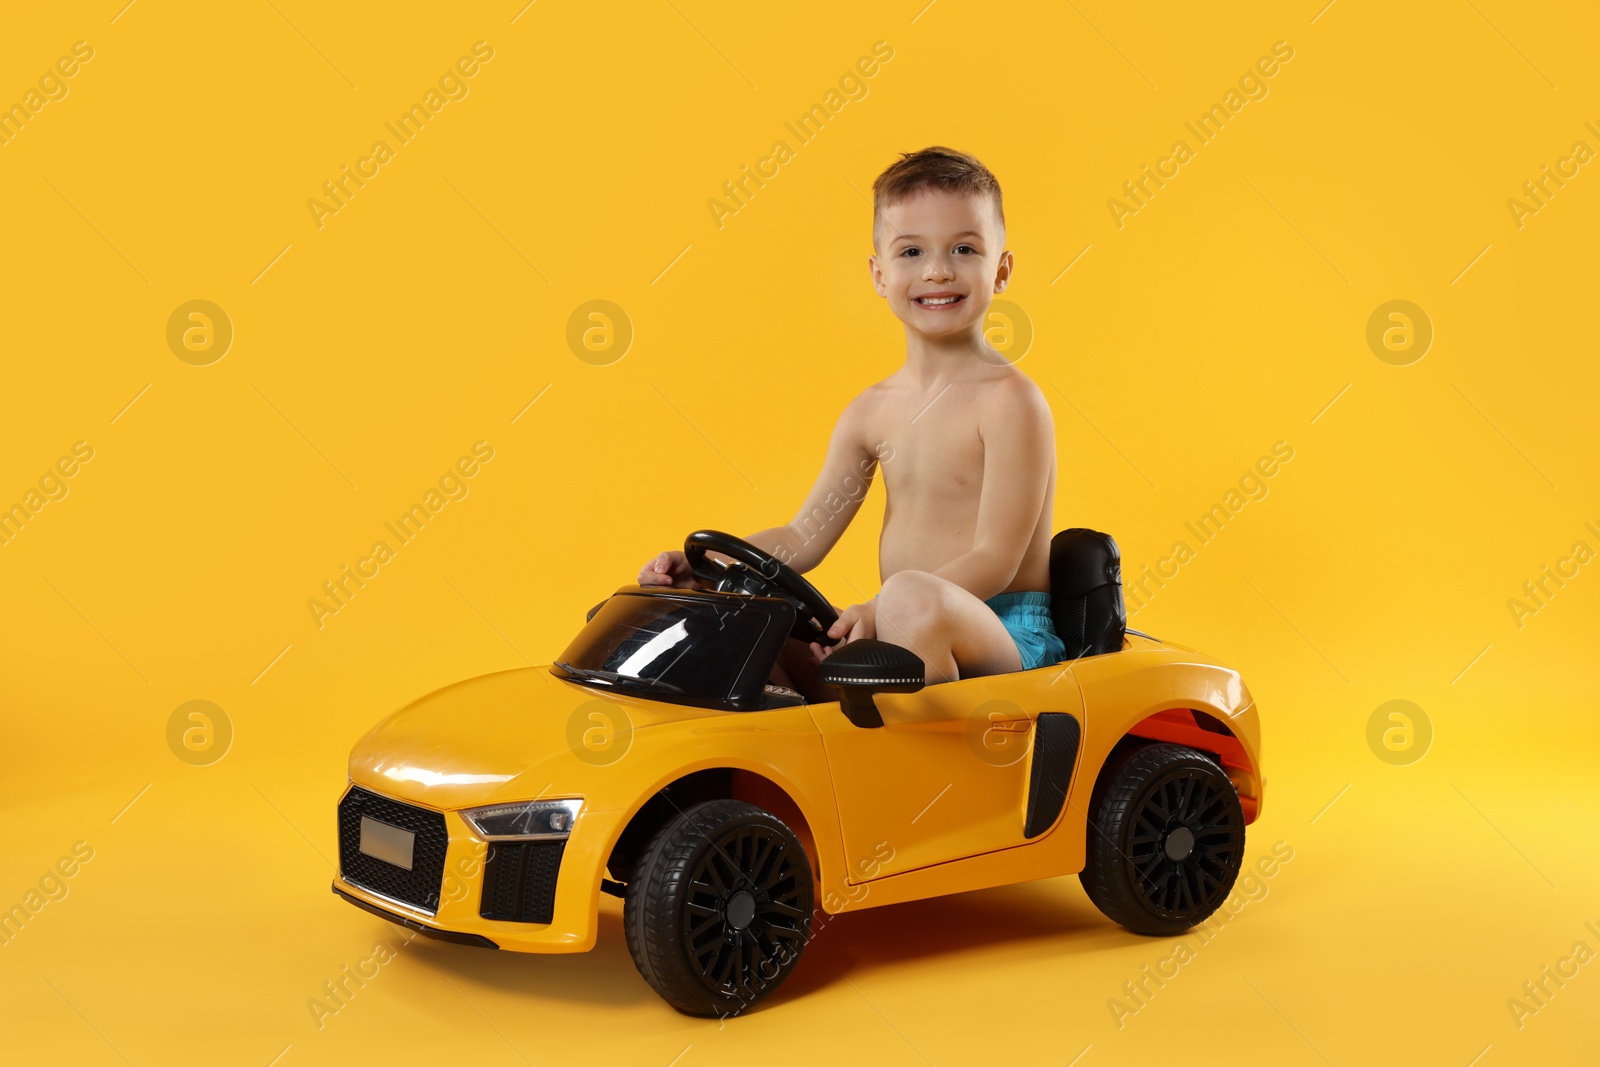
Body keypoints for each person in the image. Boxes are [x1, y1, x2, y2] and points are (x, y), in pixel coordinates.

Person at [638, 146, 1065, 698]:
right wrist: (707, 566)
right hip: (901, 623)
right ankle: (802, 749)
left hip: (1003, 634)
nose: (937, 269)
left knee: (912, 594)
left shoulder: (1012, 402)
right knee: (746, 608)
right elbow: (801, 537)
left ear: (1001, 270)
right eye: (911, 251)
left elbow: (996, 560)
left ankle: (923, 763)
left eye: (963, 248)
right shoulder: (873, 410)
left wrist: (884, 609)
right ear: (879, 274)